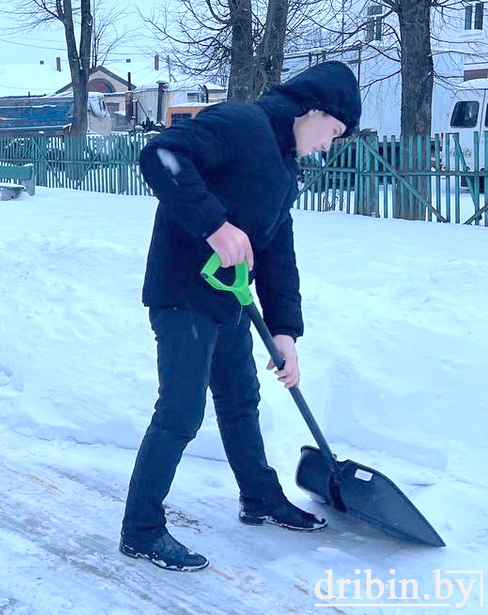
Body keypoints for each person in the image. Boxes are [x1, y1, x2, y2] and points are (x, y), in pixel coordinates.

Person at [119, 61, 362, 572]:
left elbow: (278, 254)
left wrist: (285, 331)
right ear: (314, 109)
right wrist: (215, 226)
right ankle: (140, 529)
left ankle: (260, 498)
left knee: (240, 401)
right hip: (183, 293)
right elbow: (161, 154)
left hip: (229, 299)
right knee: (181, 412)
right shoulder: (240, 123)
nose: (328, 146)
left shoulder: (284, 167)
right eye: (333, 132)